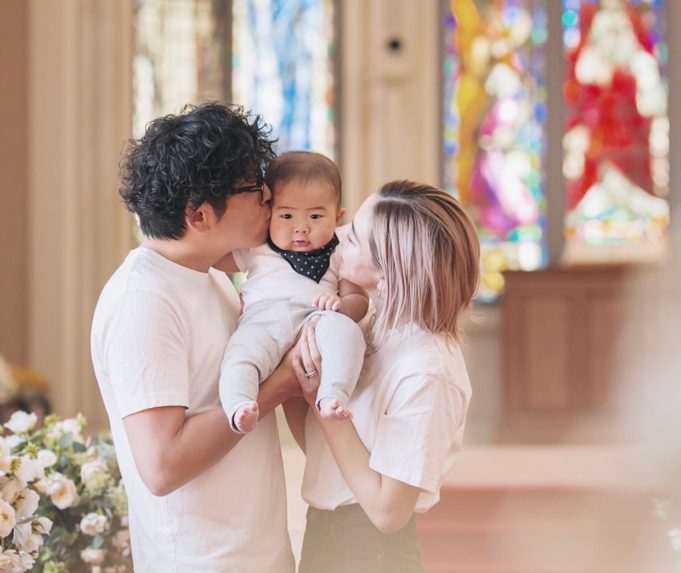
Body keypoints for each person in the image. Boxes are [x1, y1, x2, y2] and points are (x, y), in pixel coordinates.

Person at [91, 103, 299, 573]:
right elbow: (163, 464)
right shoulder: (142, 301)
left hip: (255, 555)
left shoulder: (209, 277)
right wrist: (279, 386)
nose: (270, 200)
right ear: (199, 215)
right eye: (255, 191)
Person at [286, 180, 480, 572]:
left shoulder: (428, 371)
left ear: (389, 274)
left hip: (369, 550)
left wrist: (319, 402)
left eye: (354, 238)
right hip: (325, 530)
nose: (338, 234)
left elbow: (388, 513)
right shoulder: (373, 324)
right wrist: (302, 383)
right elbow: (331, 452)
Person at [217, 151, 368, 433]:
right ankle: (239, 404)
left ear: (337, 217)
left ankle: (332, 395)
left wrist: (342, 306)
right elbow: (211, 254)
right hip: (262, 322)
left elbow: (358, 299)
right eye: (286, 215)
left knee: (348, 334)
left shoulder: (341, 251)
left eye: (315, 216)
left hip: (317, 321)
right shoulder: (256, 246)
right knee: (241, 353)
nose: (300, 228)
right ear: (268, 213)